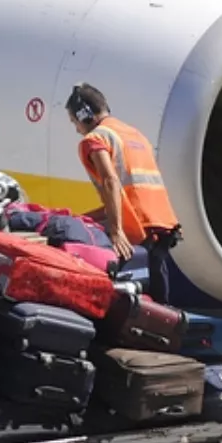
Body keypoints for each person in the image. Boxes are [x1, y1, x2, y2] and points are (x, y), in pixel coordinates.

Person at [68, 82, 181, 304]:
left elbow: (111, 181)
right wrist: (84, 218)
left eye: (74, 121)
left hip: (137, 230)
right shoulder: (133, 134)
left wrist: (117, 231)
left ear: (84, 115)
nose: (76, 128)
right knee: (158, 300)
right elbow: (126, 196)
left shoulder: (96, 139)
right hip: (161, 223)